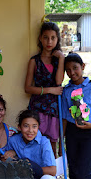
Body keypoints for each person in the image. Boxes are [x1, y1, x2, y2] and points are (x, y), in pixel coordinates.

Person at [2, 109, 60, 179]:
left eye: (34, 126)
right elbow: (6, 162)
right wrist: (11, 154)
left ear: (38, 127)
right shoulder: (14, 141)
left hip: (40, 177)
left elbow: (52, 170)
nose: (30, 130)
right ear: (19, 127)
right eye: (26, 126)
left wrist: (32, 167)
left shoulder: (44, 142)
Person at [25, 21, 65, 157]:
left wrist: (61, 58)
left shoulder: (58, 60)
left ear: (57, 39)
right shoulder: (34, 61)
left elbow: (59, 81)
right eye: (46, 37)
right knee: (37, 141)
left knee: (52, 144)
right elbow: (27, 88)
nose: (49, 41)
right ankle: (37, 175)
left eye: (53, 38)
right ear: (40, 39)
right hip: (38, 108)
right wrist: (49, 90)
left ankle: (51, 175)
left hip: (54, 109)